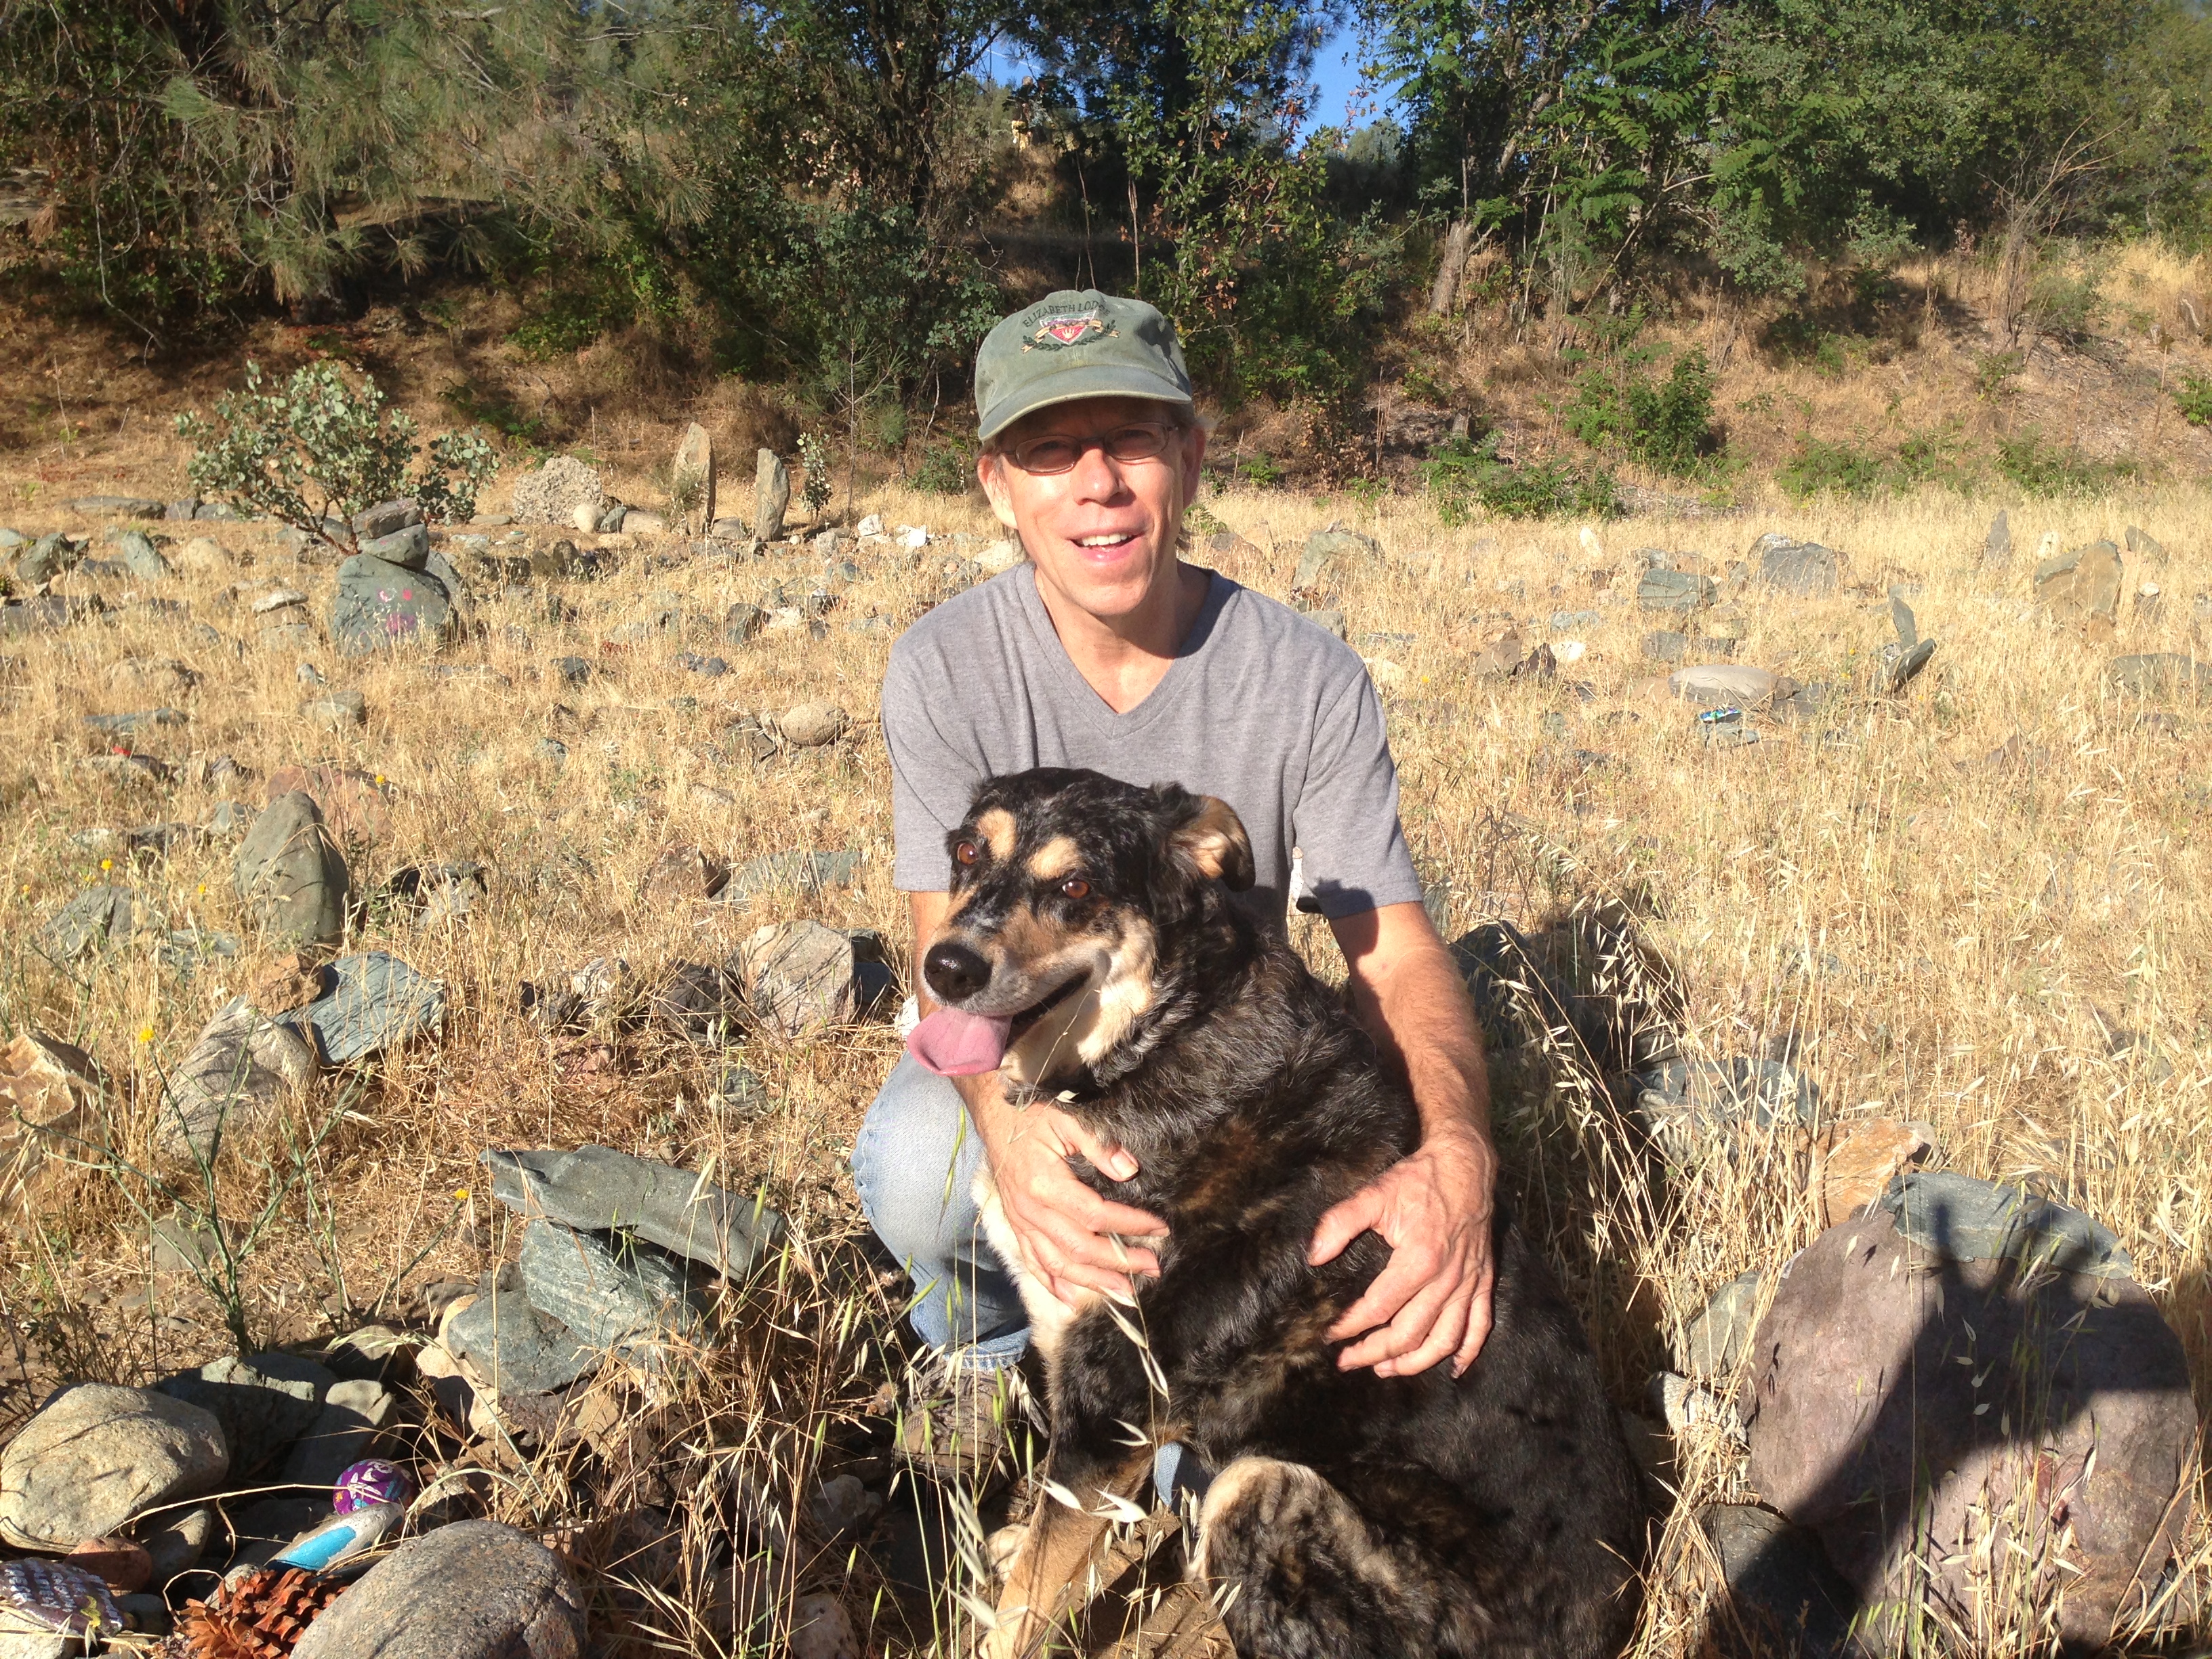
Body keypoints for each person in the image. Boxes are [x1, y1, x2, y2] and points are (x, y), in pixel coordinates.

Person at [853, 289, 1498, 1482]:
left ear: (1191, 458)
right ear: (996, 483)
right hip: (1035, 1041)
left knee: (1201, 1448)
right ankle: (982, 1342)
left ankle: (1169, 1396)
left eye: (1132, 440)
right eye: (1051, 449)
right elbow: (945, 945)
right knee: (914, 1171)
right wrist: (1011, 1136)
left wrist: (1459, 1163)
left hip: (1223, 1077)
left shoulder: (1308, 678)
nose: (1095, 482)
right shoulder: (941, 665)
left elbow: (1395, 955)